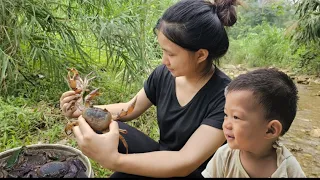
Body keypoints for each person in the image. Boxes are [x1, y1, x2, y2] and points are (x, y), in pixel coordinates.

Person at [60, 0, 239, 178]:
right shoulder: (164, 74)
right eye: (162, 51)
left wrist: (114, 160)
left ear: (201, 54)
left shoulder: (225, 97)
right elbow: (131, 108)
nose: (164, 60)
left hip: (192, 173)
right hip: (162, 155)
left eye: (171, 54)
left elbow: (185, 160)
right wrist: (81, 111)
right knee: (111, 125)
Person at [201, 68, 306, 178]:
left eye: (236, 117)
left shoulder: (288, 169)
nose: (226, 124)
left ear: (271, 130)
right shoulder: (224, 156)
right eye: (226, 115)